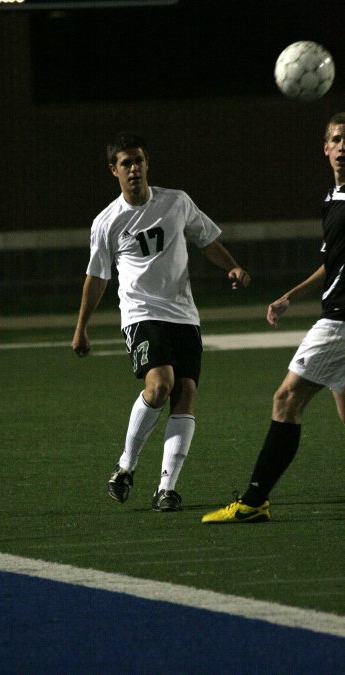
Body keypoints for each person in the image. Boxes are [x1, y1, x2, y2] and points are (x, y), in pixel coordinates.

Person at [72, 131, 250, 511]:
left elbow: (207, 240)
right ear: (113, 171)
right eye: (125, 163)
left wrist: (232, 265)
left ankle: (166, 488)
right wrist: (81, 326)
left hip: (184, 315)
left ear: (147, 164)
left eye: (138, 161)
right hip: (140, 314)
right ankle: (125, 466)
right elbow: (98, 276)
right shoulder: (107, 222)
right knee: (160, 385)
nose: (133, 168)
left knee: (185, 393)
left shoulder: (177, 202)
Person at [202, 112, 345, 524]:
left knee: (286, 398)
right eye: (336, 139)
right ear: (325, 147)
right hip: (335, 314)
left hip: (340, 321)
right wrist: (289, 296)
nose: (343, 147)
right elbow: (331, 265)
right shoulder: (333, 200)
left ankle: (254, 500)